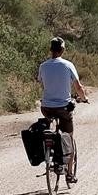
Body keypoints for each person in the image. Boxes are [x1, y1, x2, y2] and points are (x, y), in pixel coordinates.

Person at [38, 37, 88, 181]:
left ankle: (50, 151)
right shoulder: (68, 65)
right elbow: (78, 86)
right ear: (63, 50)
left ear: (51, 50)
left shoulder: (43, 66)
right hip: (63, 107)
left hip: (46, 107)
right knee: (69, 137)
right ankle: (69, 174)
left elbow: (42, 83)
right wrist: (83, 98)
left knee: (49, 128)